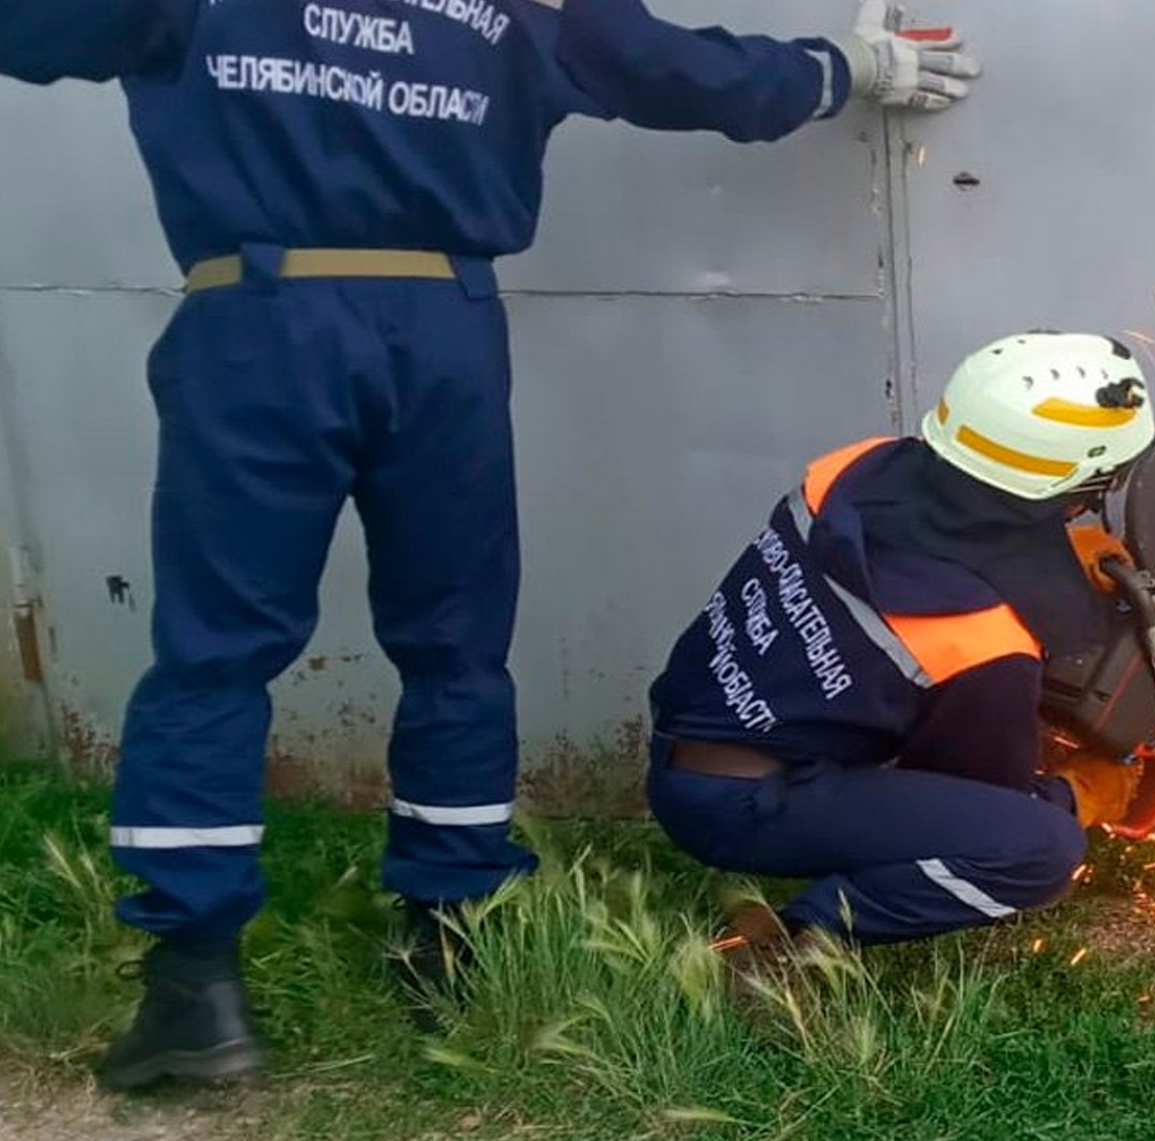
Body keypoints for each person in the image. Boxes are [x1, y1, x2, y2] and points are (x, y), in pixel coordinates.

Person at [0, 0, 981, 1092]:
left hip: (259, 326)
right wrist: (847, 66)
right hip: (443, 327)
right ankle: (451, 926)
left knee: (217, 654)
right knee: (456, 646)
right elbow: (675, 73)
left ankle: (195, 985)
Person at [646, 332, 1155, 958]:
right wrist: (1075, 795)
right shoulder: (981, 640)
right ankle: (794, 941)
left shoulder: (856, 469)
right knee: (1036, 848)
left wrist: (1053, 566)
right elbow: (979, 793)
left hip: (689, 739)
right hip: (740, 807)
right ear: (1086, 479)